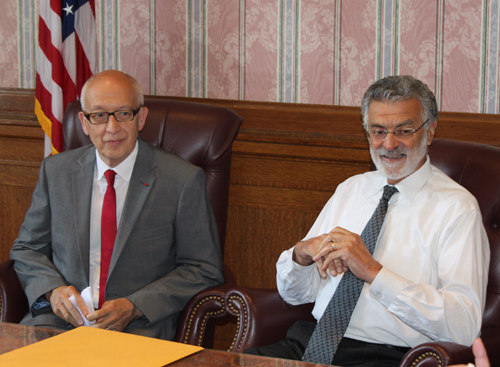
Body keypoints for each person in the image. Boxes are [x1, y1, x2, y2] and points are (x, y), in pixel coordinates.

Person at [246, 75, 490, 366]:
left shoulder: (457, 209)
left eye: (404, 130)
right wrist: (302, 255)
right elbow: (296, 294)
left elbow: (464, 324)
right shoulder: (352, 189)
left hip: (387, 356)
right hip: (309, 343)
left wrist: (373, 272)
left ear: (430, 131)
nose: (389, 144)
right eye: (378, 131)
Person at [10, 70, 224, 340]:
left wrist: (135, 306)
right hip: (60, 321)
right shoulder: (56, 172)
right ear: (84, 123)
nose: (112, 128)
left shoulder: (181, 180)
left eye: (123, 113)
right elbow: (28, 248)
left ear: (141, 117)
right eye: (99, 116)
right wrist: (54, 291)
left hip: (139, 326)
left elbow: (204, 268)